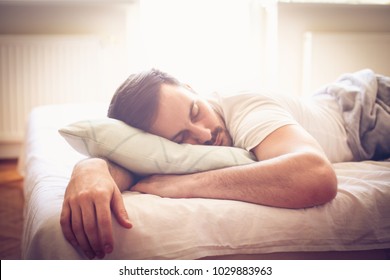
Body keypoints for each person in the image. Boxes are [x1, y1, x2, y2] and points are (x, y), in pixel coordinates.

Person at [60, 68, 390, 259]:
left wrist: (186, 185)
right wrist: (91, 168)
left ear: (192, 89)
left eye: (194, 111)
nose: (203, 134)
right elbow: (143, 160)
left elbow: (316, 177)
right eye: (179, 139)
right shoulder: (188, 138)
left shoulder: (244, 108)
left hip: (368, 110)